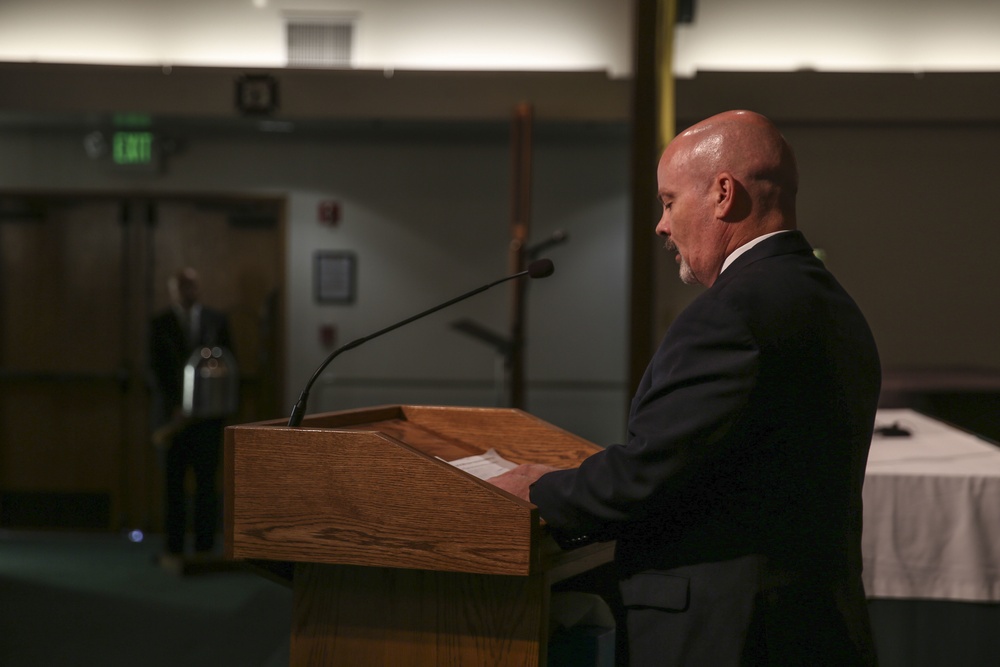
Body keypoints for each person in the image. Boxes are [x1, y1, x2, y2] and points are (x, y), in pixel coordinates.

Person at [489, 110, 881, 666]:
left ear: (723, 193)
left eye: (669, 201)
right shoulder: (832, 303)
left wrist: (539, 490)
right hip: (813, 622)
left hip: (730, 634)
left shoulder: (731, 313)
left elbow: (649, 473)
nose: (661, 225)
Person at [149, 267, 234, 561]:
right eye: (182, 285)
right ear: (172, 289)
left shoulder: (216, 320)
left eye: (192, 284)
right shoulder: (158, 324)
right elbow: (155, 369)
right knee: (173, 483)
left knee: (206, 482)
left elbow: (227, 361)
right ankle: (173, 545)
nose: (188, 290)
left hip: (207, 418)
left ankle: (204, 546)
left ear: (199, 287)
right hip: (173, 418)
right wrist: (176, 405)